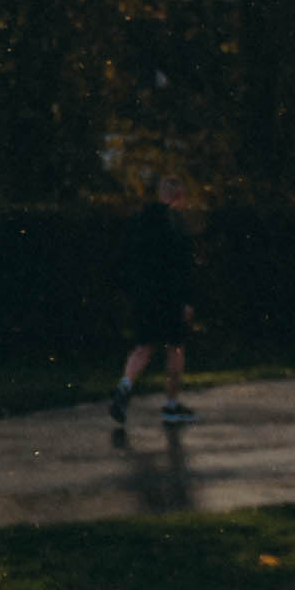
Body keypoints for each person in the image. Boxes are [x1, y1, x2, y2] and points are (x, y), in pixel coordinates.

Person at [112, 176, 200, 434]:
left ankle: (124, 388)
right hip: (170, 297)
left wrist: (132, 291)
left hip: (144, 296)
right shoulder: (176, 224)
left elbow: (122, 259)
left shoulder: (137, 222)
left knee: (143, 347)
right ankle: (171, 405)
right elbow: (183, 266)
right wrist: (187, 300)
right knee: (175, 348)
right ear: (178, 196)